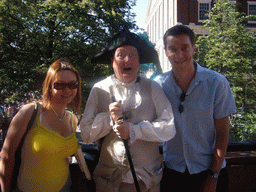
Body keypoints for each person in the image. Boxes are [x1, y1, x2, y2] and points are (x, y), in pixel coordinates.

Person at [79, 28, 176, 192]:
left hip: (147, 182)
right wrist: (108, 119)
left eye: (133, 55)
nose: (127, 60)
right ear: (112, 61)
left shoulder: (152, 87)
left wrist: (135, 130)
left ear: (139, 61)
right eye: (121, 54)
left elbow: (169, 127)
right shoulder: (99, 89)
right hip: (110, 183)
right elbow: (86, 134)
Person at [155, 25, 237, 192]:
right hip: (173, 173)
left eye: (185, 48)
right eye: (173, 49)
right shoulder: (158, 85)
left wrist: (213, 176)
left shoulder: (216, 83)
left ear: (193, 48)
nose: (179, 55)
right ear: (165, 51)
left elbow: (222, 133)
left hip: (209, 171)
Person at [0, 58, 82, 192]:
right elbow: (6, 156)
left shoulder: (72, 119)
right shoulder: (30, 112)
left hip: (65, 187)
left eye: (73, 85)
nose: (67, 90)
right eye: (60, 85)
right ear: (49, 86)